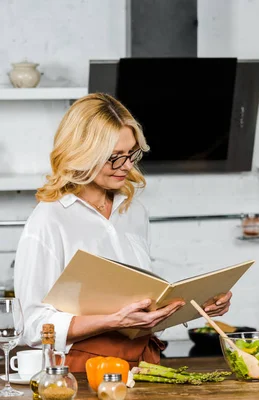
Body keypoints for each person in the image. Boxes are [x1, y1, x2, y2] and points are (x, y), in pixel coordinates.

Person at [14, 93, 232, 372]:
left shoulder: (133, 211)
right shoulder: (49, 219)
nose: (127, 166)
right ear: (81, 154)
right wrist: (112, 321)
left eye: (131, 154)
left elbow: (142, 305)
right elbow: (31, 326)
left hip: (145, 364)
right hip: (82, 371)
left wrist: (197, 306)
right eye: (114, 158)